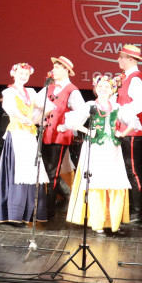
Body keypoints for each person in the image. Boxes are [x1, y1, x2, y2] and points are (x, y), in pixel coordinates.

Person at [63, 74, 137, 236]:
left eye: (107, 87)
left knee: (113, 183)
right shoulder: (91, 105)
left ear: (112, 90)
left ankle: (112, 222)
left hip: (112, 149)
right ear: (96, 89)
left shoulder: (116, 107)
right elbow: (72, 121)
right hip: (95, 148)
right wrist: (87, 130)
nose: (103, 89)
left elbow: (134, 122)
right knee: (96, 183)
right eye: (100, 86)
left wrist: (123, 133)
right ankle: (97, 223)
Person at [0, 63, 49, 224]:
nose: (23, 76)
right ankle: (13, 211)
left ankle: (28, 211)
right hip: (17, 133)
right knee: (17, 170)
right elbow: (11, 109)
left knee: (31, 171)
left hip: (29, 134)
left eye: (26, 74)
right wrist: (28, 120)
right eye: (20, 73)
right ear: (13, 74)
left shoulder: (32, 92)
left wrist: (37, 118)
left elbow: (46, 106)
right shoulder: (9, 92)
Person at [36, 55, 84, 215]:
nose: (53, 70)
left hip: (60, 135)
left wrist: (66, 125)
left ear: (66, 70)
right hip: (46, 133)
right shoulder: (49, 87)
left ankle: (48, 210)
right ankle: (48, 203)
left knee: (52, 172)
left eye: (57, 68)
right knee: (43, 169)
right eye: (53, 67)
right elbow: (36, 103)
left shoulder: (72, 90)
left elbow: (81, 112)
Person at [115, 44, 142, 225]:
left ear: (130, 59)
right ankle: (127, 208)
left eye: (121, 57)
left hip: (132, 130)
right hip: (122, 130)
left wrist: (124, 114)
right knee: (125, 169)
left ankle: (137, 212)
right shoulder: (125, 77)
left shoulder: (135, 78)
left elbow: (141, 103)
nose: (119, 60)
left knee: (132, 170)